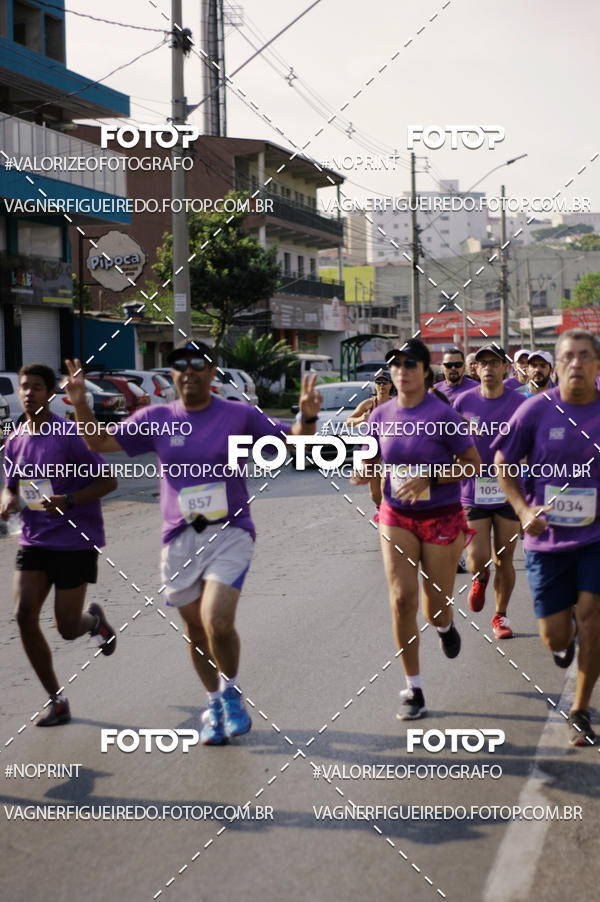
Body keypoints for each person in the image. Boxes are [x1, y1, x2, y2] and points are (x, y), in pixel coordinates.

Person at [63, 341, 322, 746]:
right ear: (173, 374)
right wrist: (81, 404)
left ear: (212, 372)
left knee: (217, 620)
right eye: (179, 365)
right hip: (179, 540)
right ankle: (214, 703)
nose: (188, 371)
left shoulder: (237, 415)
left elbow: (294, 441)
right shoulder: (158, 418)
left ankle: (232, 693)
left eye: (197, 364)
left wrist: (307, 417)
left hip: (230, 532)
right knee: (197, 633)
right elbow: (100, 443)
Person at [353, 339, 481, 720]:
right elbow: (370, 457)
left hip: (441, 516)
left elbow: (472, 464)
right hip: (396, 516)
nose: (402, 371)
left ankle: (444, 626)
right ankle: (414, 689)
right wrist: (363, 470)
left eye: (410, 364)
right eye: (396, 365)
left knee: (434, 606)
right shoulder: (380, 415)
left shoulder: (443, 416)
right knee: (401, 599)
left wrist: (431, 476)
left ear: (426, 371)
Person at [493, 329, 600, 746]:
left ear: (597, 365)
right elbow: (503, 462)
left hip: (595, 539)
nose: (576, 363)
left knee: (592, 619)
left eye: (585, 356)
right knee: (556, 635)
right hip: (547, 541)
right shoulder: (536, 410)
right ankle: (563, 640)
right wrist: (522, 511)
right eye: (568, 356)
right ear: (556, 366)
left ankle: (580, 709)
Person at [0, 364, 117, 726]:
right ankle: (57, 700)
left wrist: (68, 500)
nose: (29, 393)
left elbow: (108, 481)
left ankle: (94, 622)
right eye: (24, 387)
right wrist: (7, 500)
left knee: (67, 628)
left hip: (73, 541)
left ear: (50, 394)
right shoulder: (15, 439)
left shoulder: (69, 435)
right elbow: (10, 485)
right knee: (24, 615)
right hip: (34, 538)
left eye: (37, 387)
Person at [454, 346, 525, 639]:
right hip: (473, 492)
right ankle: (480, 578)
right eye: (483, 363)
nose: (488, 368)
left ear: (505, 368)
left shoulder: (520, 403)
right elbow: (450, 442)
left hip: (510, 491)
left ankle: (500, 616)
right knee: (478, 558)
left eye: (494, 363)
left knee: (504, 558)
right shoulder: (463, 402)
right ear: (476, 368)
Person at [346, 371, 395, 521]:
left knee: (386, 483)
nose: (382, 385)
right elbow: (349, 421)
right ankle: (380, 507)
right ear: (375, 385)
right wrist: (361, 418)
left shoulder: (397, 403)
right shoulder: (368, 404)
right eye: (379, 382)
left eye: (385, 382)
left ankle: (388, 512)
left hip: (392, 447)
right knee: (374, 493)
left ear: (391, 385)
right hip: (372, 447)